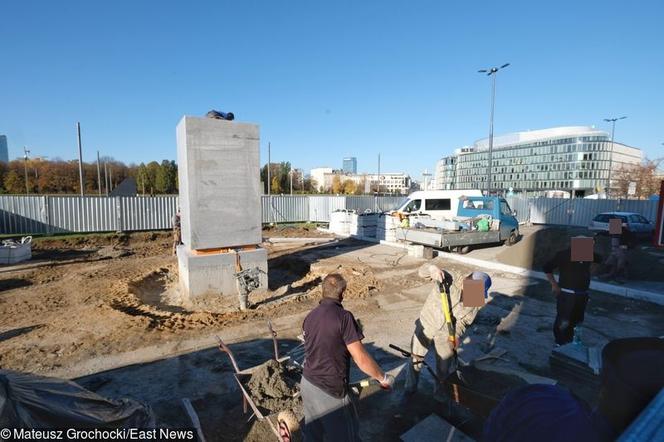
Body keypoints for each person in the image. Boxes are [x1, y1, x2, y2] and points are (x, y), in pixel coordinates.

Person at [300, 274, 394, 441]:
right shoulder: (344, 317)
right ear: (342, 293)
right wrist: (383, 377)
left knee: (313, 436)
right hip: (330, 391)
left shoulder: (310, 317)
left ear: (322, 291)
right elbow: (361, 358)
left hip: (307, 383)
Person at [403, 264, 492, 399]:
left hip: (445, 334)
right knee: (416, 360)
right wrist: (432, 269)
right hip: (427, 324)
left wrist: (455, 336)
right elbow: (422, 271)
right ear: (466, 282)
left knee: (444, 369)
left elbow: (465, 321)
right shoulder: (450, 277)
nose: (474, 294)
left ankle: (439, 395)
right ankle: (410, 389)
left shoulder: (474, 296)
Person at [543, 240, 602, 346]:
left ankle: (572, 341)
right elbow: (547, 268)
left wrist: (590, 272)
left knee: (578, 319)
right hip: (566, 294)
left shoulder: (588, 254)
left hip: (582, 294)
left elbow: (599, 260)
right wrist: (554, 284)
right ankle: (559, 342)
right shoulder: (563, 255)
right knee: (563, 319)